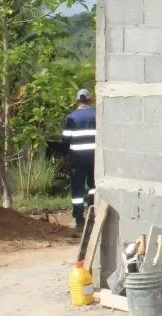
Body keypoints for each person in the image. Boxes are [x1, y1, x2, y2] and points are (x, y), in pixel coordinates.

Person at [62, 89, 96, 232]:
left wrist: (65, 156)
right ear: (90, 100)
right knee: (93, 187)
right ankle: (93, 214)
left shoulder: (71, 117)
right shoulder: (97, 115)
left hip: (77, 160)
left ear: (77, 101)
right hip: (95, 159)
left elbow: (65, 140)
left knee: (77, 190)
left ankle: (79, 219)